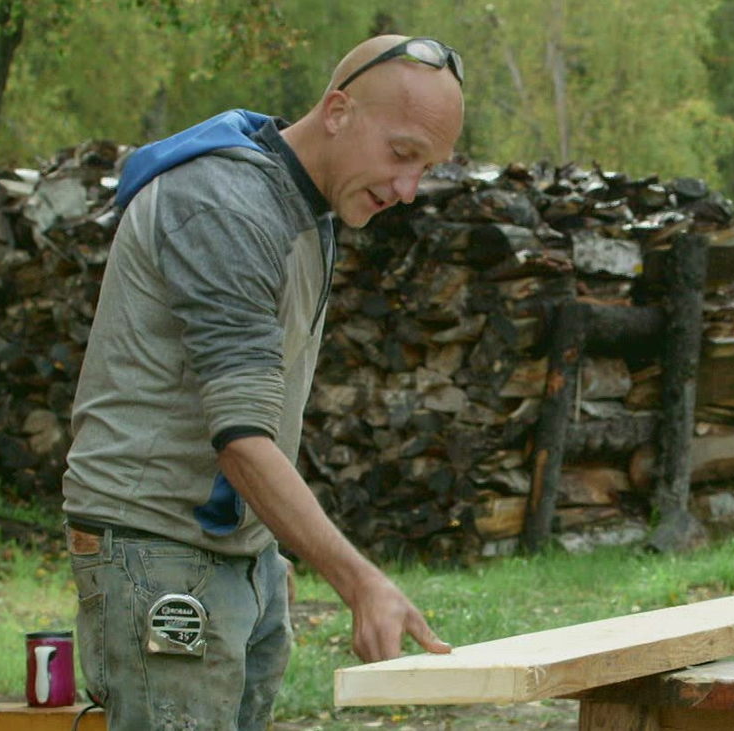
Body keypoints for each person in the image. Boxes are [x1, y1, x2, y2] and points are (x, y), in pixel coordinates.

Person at [60, 34, 465, 730]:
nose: (408, 190)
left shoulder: (304, 203)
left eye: (425, 168)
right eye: (402, 154)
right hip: (157, 547)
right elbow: (242, 439)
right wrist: (360, 581)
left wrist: (264, 551)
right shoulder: (225, 205)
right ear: (337, 111)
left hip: (234, 549)